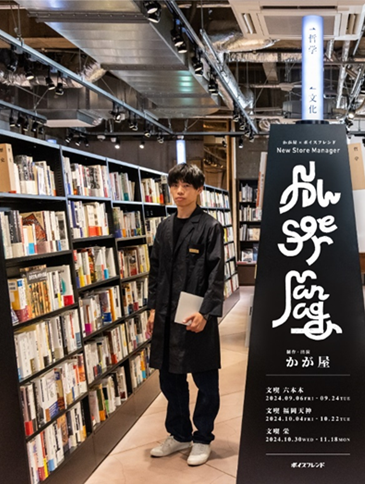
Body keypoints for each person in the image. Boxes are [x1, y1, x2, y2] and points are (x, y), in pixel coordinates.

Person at [146, 163, 225, 466]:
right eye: (175, 185)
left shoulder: (210, 227)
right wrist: (153, 308)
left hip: (196, 316)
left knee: (206, 382)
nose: (179, 191)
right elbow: (155, 271)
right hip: (166, 316)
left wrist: (206, 313)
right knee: (170, 379)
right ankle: (179, 434)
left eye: (187, 186)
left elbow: (216, 274)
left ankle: (202, 437)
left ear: (199, 189)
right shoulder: (164, 227)